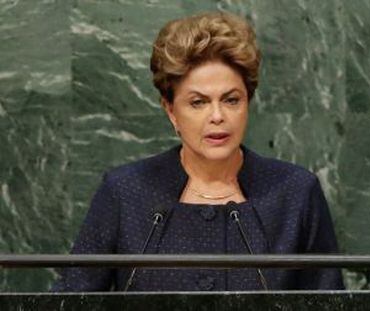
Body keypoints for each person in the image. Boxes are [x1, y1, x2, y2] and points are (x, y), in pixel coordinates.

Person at [52, 11, 344, 291]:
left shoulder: (294, 192)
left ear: (248, 103)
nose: (217, 116)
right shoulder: (125, 191)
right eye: (198, 102)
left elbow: (331, 302)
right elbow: (70, 299)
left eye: (231, 100)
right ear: (171, 110)